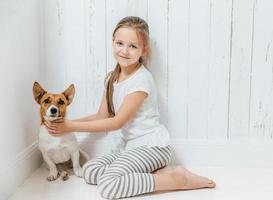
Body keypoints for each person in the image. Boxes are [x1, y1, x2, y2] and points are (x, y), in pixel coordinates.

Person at [44, 16, 216, 199]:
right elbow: (102, 115)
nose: (124, 51)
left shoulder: (141, 81)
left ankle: (177, 179)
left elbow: (116, 122)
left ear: (144, 49)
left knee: (109, 186)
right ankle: (156, 173)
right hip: (128, 147)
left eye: (133, 46)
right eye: (120, 43)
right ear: (112, 42)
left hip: (151, 147)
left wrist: (70, 127)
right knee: (89, 170)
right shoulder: (112, 77)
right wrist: (65, 122)